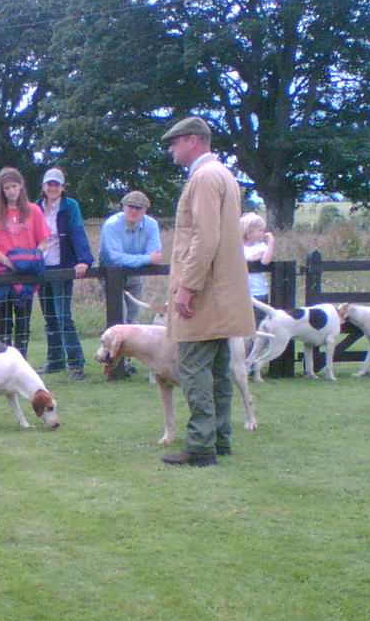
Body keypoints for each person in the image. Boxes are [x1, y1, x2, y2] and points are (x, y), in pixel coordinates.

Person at [160, 117, 255, 466]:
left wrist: (187, 287)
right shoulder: (224, 175)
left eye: (175, 143)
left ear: (193, 141)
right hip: (223, 291)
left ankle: (200, 445)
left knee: (194, 366)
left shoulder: (203, 178)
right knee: (217, 369)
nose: (171, 150)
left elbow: (204, 237)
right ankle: (220, 438)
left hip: (205, 291)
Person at [0, 167, 51, 358]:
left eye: (14, 186)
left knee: (23, 321)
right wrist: (9, 262)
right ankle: (2, 363)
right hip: (2, 272)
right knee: (4, 321)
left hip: (26, 274)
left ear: (21, 186)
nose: (11, 191)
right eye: (7, 188)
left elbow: (43, 240)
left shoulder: (34, 210)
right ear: (1, 190)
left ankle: (21, 362)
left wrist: (32, 258)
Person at [35, 168, 92, 379]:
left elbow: (77, 232)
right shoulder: (36, 208)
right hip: (41, 267)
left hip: (62, 266)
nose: (52, 188)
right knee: (49, 316)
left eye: (56, 184)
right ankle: (55, 360)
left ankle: (76, 363)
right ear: (43, 187)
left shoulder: (70, 206)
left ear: (63, 187)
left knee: (63, 316)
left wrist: (84, 260)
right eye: (49, 184)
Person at [99, 190, 163, 324]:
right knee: (118, 317)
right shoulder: (111, 225)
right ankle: (115, 344)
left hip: (135, 272)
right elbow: (115, 258)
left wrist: (143, 259)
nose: (134, 211)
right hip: (111, 273)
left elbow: (155, 254)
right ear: (123, 207)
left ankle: (133, 345)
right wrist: (146, 259)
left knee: (134, 317)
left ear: (145, 210)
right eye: (130, 207)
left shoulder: (151, 224)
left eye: (138, 208)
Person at [241, 211, 275, 301]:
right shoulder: (239, 247)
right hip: (241, 292)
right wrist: (251, 258)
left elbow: (265, 261)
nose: (263, 233)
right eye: (260, 230)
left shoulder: (261, 246)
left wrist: (271, 243)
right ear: (248, 233)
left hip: (259, 291)